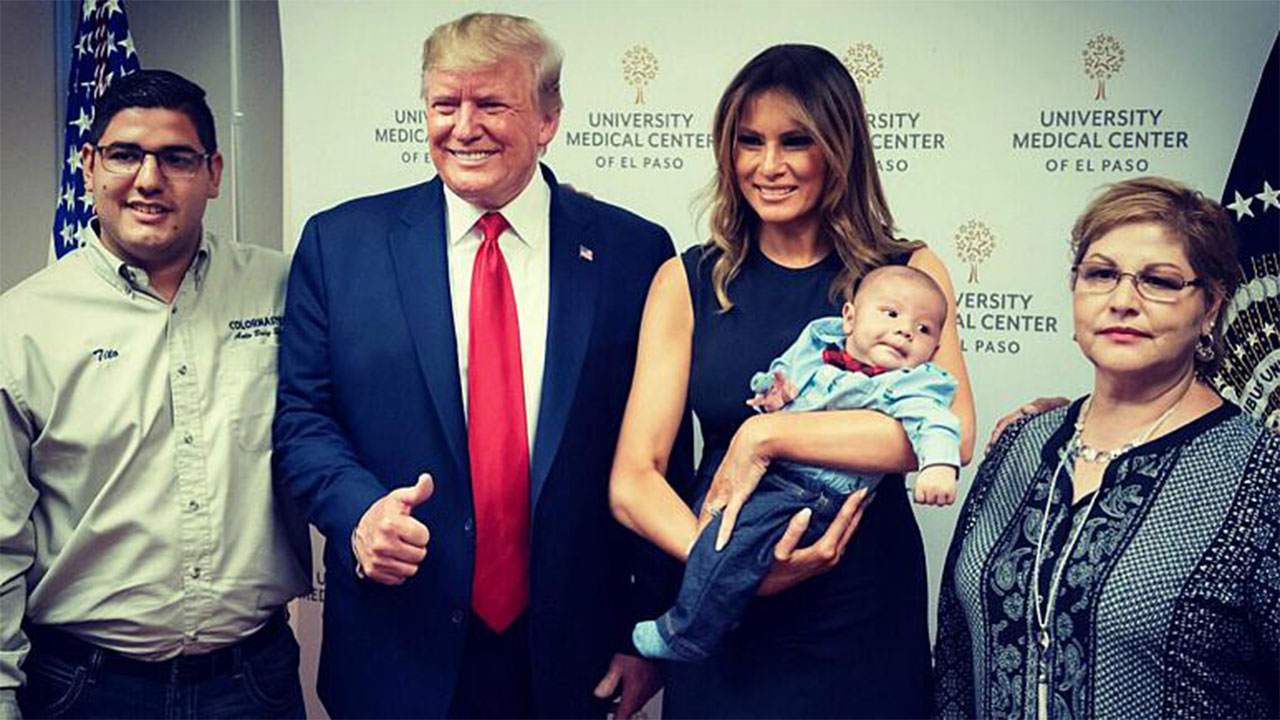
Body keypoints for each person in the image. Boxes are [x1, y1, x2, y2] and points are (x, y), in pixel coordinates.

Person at [272, 12, 685, 719]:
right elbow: (303, 420)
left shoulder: (634, 253)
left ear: (548, 118)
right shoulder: (340, 246)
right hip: (397, 649)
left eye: (491, 103)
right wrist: (359, 512)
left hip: (572, 658)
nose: (464, 128)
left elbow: (663, 454)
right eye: (445, 104)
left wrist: (647, 631)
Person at [609, 44, 976, 718]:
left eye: (795, 142)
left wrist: (767, 435)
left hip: (860, 615)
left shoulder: (907, 272)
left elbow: (945, 432)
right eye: (749, 141)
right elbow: (635, 480)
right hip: (725, 621)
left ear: (839, 148)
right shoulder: (688, 280)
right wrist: (733, 567)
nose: (768, 165)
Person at [0, 70, 311, 720]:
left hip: (251, 683)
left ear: (213, 173)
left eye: (176, 158)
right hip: (84, 689)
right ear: (89, 166)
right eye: (125, 155)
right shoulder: (21, 326)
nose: (148, 179)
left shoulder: (288, 290)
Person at [934, 177, 1280, 719]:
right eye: (1100, 274)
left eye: (1159, 281)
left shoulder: (1259, 474)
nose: (1122, 301)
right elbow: (956, 661)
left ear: (1210, 306)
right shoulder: (1020, 446)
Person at [632, 264, 962, 662]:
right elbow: (784, 378)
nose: (905, 330)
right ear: (850, 317)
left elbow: (938, 424)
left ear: (935, 350)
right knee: (716, 520)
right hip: (773, 480)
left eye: (923, 329)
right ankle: (723, 604)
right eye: (891, 314)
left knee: (739, 537)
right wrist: (771, 395)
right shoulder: (819, 350)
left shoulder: (909, 385)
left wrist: (939, 466)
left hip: (817, 498)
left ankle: (684, 634)